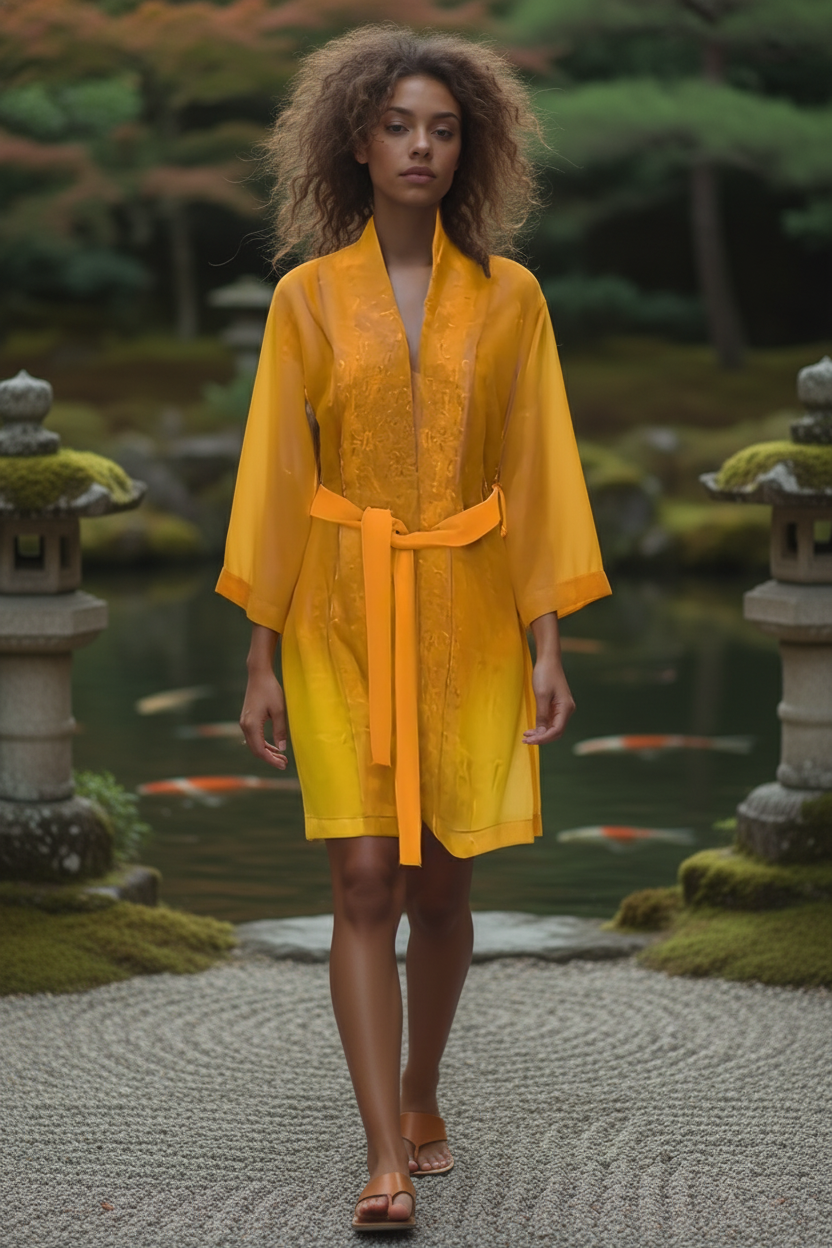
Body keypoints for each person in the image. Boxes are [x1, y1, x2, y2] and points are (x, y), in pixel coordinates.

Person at [216, 24, 611, 1232]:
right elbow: (276, 479)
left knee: (442, 888)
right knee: (362, 881)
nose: (420, 147)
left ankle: (424, 1094)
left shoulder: (510, 299)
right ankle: (382, 1156)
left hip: (477, 611)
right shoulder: (304, 301)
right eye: (398, 125)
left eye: (442, 128)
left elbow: (538, 467)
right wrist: (262, 652)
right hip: (341, 611)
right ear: (357, 139)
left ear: (468, 148)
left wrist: (549, 639)